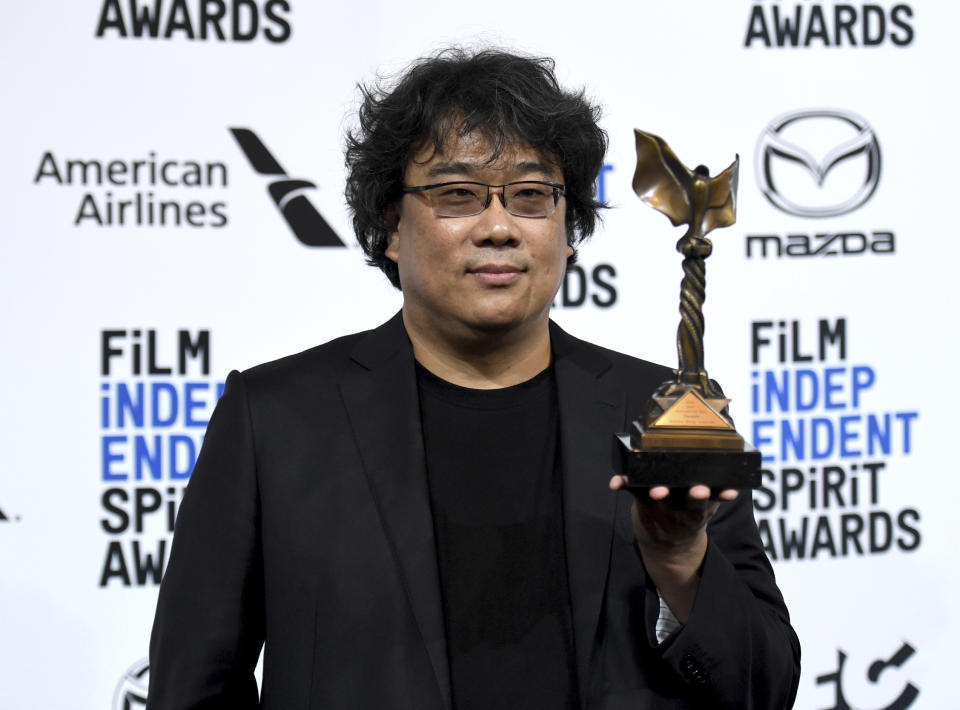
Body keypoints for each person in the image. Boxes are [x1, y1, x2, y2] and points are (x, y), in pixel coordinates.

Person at [147, 48, 800, 709]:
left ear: (568, 231)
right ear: (390, 227)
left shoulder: (660, 414)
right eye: (456, 194)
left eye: (531, 196)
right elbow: (193, 690)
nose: (498, 227)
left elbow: (768, 689)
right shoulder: (274, 421)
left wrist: (682, 563)